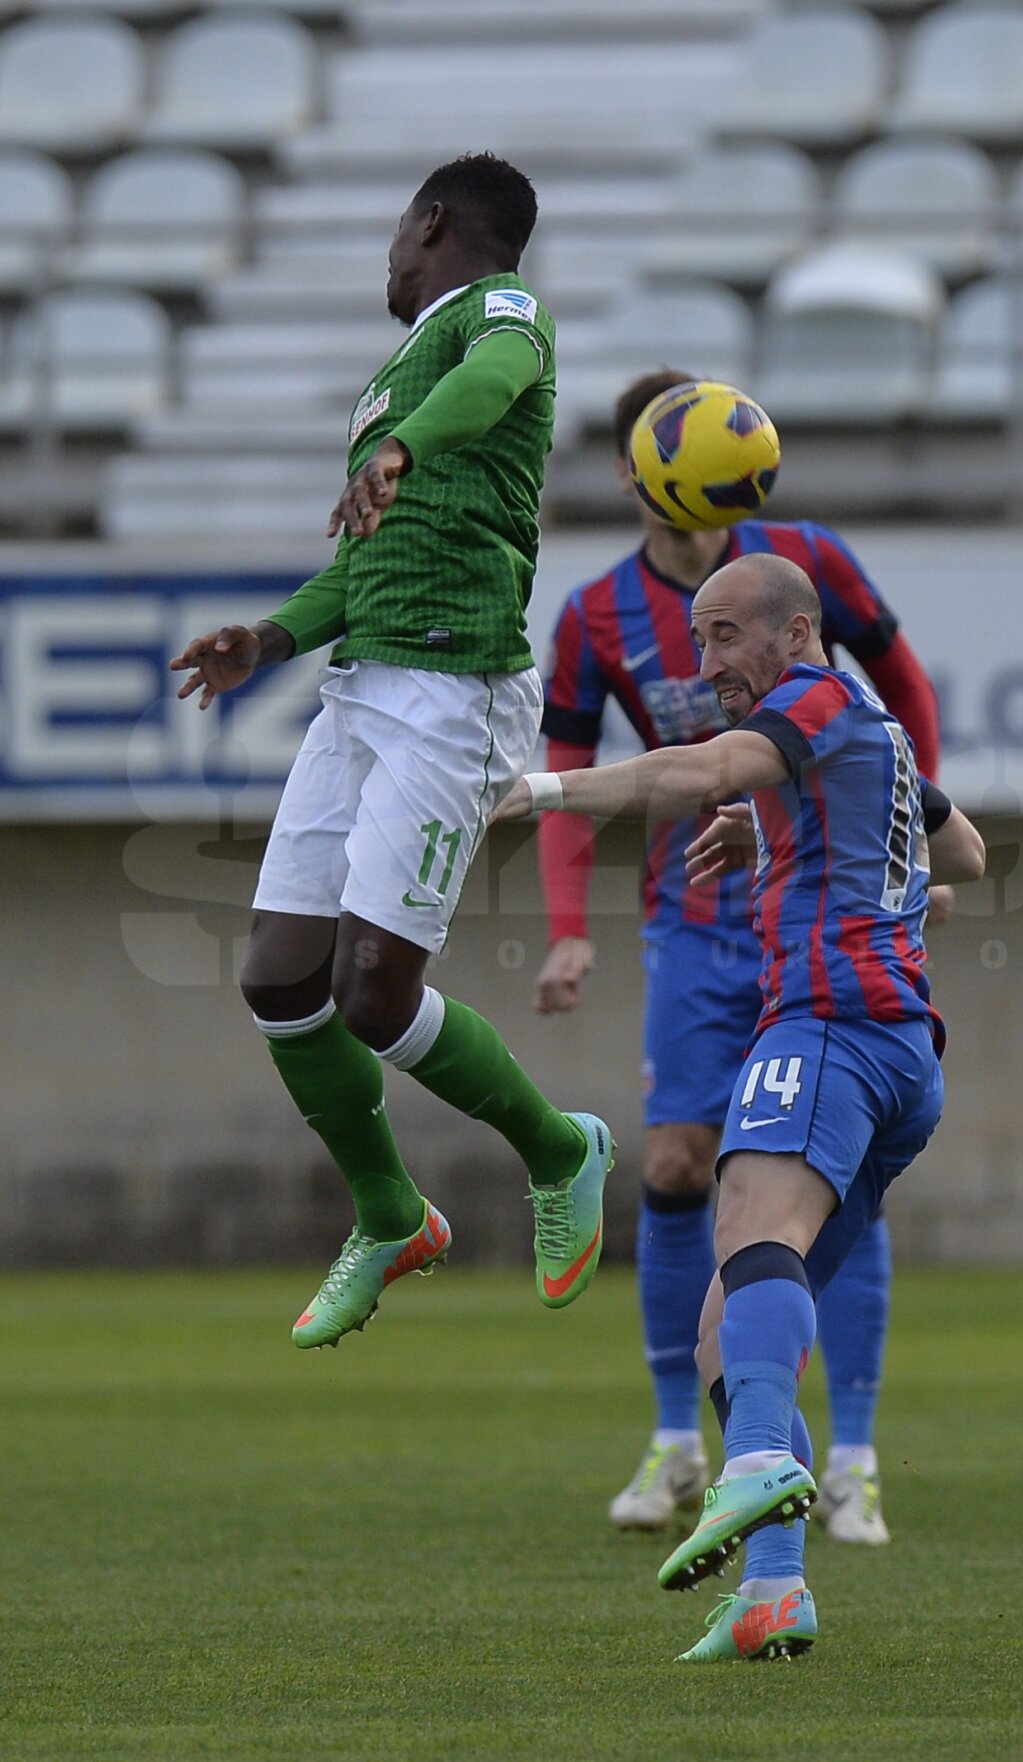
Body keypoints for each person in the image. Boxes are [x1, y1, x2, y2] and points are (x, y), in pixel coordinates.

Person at [498, 552, 984, 1661]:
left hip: (827, 1028)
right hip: (899, 1053)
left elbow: (699, 768)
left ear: (798, 632)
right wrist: (789, 833)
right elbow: (964, 849)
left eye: (725, 637)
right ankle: (775, 1585)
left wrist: (539, 790)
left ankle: (767, 1466)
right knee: (732, 1319)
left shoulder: (809, 700)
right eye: (698, 635)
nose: (703, 659)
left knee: (751, 1236)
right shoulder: (871, 731)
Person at [169, 152, 612, 1348]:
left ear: (432, 223)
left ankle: (562, 1149)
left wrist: (402, 446)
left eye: (397, 234)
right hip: (362, 688)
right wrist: (267, 637)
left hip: (453, 688)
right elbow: (363, 570)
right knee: (278, 979)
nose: (388, 257)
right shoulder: (394, 384)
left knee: (374, 993)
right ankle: (389, 1212)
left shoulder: (499, 317)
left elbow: (503, 374)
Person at [536, 370, 943, 1541]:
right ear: (631, 472)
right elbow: (595, 764)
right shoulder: (595, 615)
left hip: (822, 910)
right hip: (697, 919)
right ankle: (681, 1440)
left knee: (820, 1192)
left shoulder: (797, 566)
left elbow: (900, 689)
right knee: (674, 1165)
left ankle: (851, 1455)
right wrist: (568, 923)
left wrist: (898, 846)